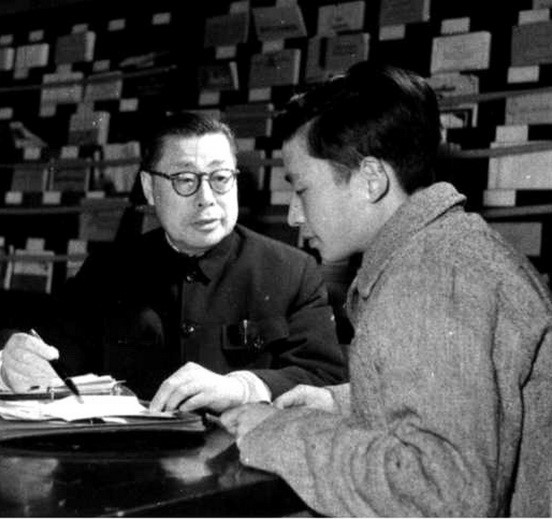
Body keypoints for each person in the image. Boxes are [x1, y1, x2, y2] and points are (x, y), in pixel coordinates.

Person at [220, 61, 552, 516]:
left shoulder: (431, 276)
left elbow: (441, 495)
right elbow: (472, 401)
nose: (295, 215)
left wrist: (276, 433)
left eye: (302, 189)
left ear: (371, 179)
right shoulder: (447, 251)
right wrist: (339, 403)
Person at [0, 112, 348, 413]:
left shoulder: (290, 271)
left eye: (221, 178)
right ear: (150, 188)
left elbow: (326, 378)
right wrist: (6, 362)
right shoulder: (108, 270)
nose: (207, 198)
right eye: (185, 180)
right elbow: (34, 344)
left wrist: (243, 388)